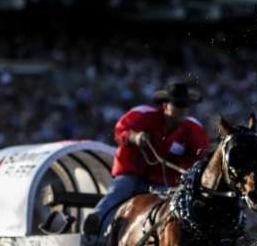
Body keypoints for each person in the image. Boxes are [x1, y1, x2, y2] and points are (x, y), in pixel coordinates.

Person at [83, 82, 210, 235]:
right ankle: (96, 223)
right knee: (119, 190)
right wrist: (134, 137)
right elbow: (120, 131)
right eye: (178, 104)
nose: (183, 110)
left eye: (186, 105)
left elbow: (200, 154)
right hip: (132, 173)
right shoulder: (143, 115)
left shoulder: (193, 129)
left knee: (172, 206)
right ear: (165, 106)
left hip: (163, 182)